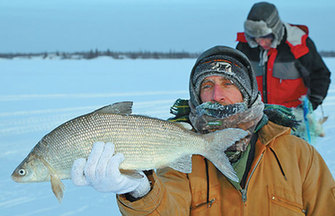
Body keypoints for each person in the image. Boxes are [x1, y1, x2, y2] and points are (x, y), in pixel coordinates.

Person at [71, 46, 335, 215]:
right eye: (206, 85)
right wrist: (139, 191)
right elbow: (166, 208)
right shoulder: (175, 152)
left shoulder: (300, 156)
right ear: (195, 96)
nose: (216, 95)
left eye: (228, 84)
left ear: (248, 92)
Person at [236, 2, 331, 110]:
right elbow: (234, 80)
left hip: (293, 115)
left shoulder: (298, 43)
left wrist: (310, 105)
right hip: (257, 115)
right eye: (255, 38)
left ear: (275, 29)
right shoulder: (244, 47)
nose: (261, 43)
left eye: (266, 37)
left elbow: (320, 74)